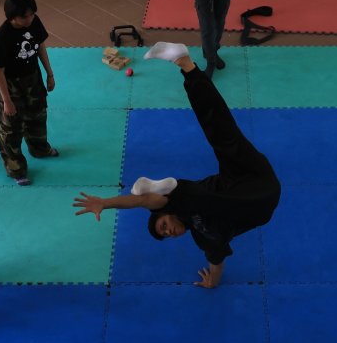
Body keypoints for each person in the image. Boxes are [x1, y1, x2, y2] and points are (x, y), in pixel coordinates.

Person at [73, 42, 280, 289]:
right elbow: (217, 263)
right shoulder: (203, 237)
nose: (168, 232)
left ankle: (185, 64)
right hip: (262, 198)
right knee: (201, 198)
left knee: (221, 129)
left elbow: (141, 202)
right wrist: (212, 282)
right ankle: (171, 188)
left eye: (163, 226)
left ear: (166, 214)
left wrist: (106, 203)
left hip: (244, 174)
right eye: (165, 235)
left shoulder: (179, 209)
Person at [0, 0, 58, 186]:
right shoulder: (1, 39)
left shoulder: (34, 23)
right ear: (12, 17)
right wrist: (7, 101)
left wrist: (50, 74)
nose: (29, 19)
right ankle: (16, 169)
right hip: (10, 85)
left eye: (31, 14)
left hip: (32, 78)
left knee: (37, 115)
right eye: (23, 16)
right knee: (11, 128)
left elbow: (41, 47)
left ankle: (40, 148)